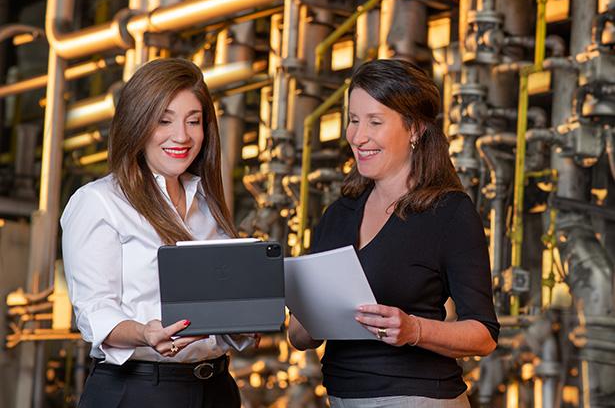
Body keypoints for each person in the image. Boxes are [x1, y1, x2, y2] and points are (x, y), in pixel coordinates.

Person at [288, 59, 499, 407]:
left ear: (414, 129)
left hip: (417, 398)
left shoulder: (448, 212)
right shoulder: (338, 214)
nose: (358, 136)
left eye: (375, 122)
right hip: (340, 398)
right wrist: (308, 314)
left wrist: (413, 330)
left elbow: (483, 336)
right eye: (354, 120)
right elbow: (298, 336)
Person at [61, 58, 252, 408]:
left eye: (193, 121)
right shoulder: (99, 202)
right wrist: (145, 333)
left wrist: (245, 318)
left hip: (217, 389)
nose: (182, 136)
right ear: (137, 124)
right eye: (164, 120)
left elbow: (216, 307)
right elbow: (94, 312)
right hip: (140, 389)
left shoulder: (207, 203)